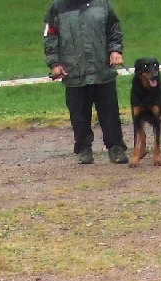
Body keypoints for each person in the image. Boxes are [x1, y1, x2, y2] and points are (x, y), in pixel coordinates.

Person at [44, 0, 128, 165]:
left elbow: (113, 28)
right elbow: (50, 36)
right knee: (78, 114)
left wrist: (115, 50)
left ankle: (116, 147)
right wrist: (54, 63)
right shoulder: (57, 8)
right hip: (74, 71)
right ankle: (83, 149)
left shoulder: (102, 4)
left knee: (110, 112)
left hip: (102, 67)